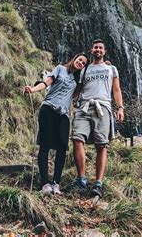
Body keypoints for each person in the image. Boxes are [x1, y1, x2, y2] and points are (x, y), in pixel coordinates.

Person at [24, 53, 89, 195]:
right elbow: (46, 82)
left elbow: (85, 89)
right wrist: (33, 89)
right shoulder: (60, 69)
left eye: (83, 63)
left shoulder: (77, 81)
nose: (80, 63)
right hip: (48, 109)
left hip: (63, 114)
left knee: (62, 148)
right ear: (74, 59)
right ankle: (45, 183)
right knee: (45, 145)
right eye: (79, 60)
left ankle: (56, 183)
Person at [71, 39, 124, 198]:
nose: (98, 49)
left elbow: (116, 90)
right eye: (95, 47)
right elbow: (77, 90)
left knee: (102, 145)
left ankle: (98, 183)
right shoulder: (84, 70)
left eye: (101, 47)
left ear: (104, 51)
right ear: (91, 50)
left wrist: (120, 107)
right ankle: (81, 179)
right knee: (76, 138)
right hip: (84, 107)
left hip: (103, 108)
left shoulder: (111, 68)